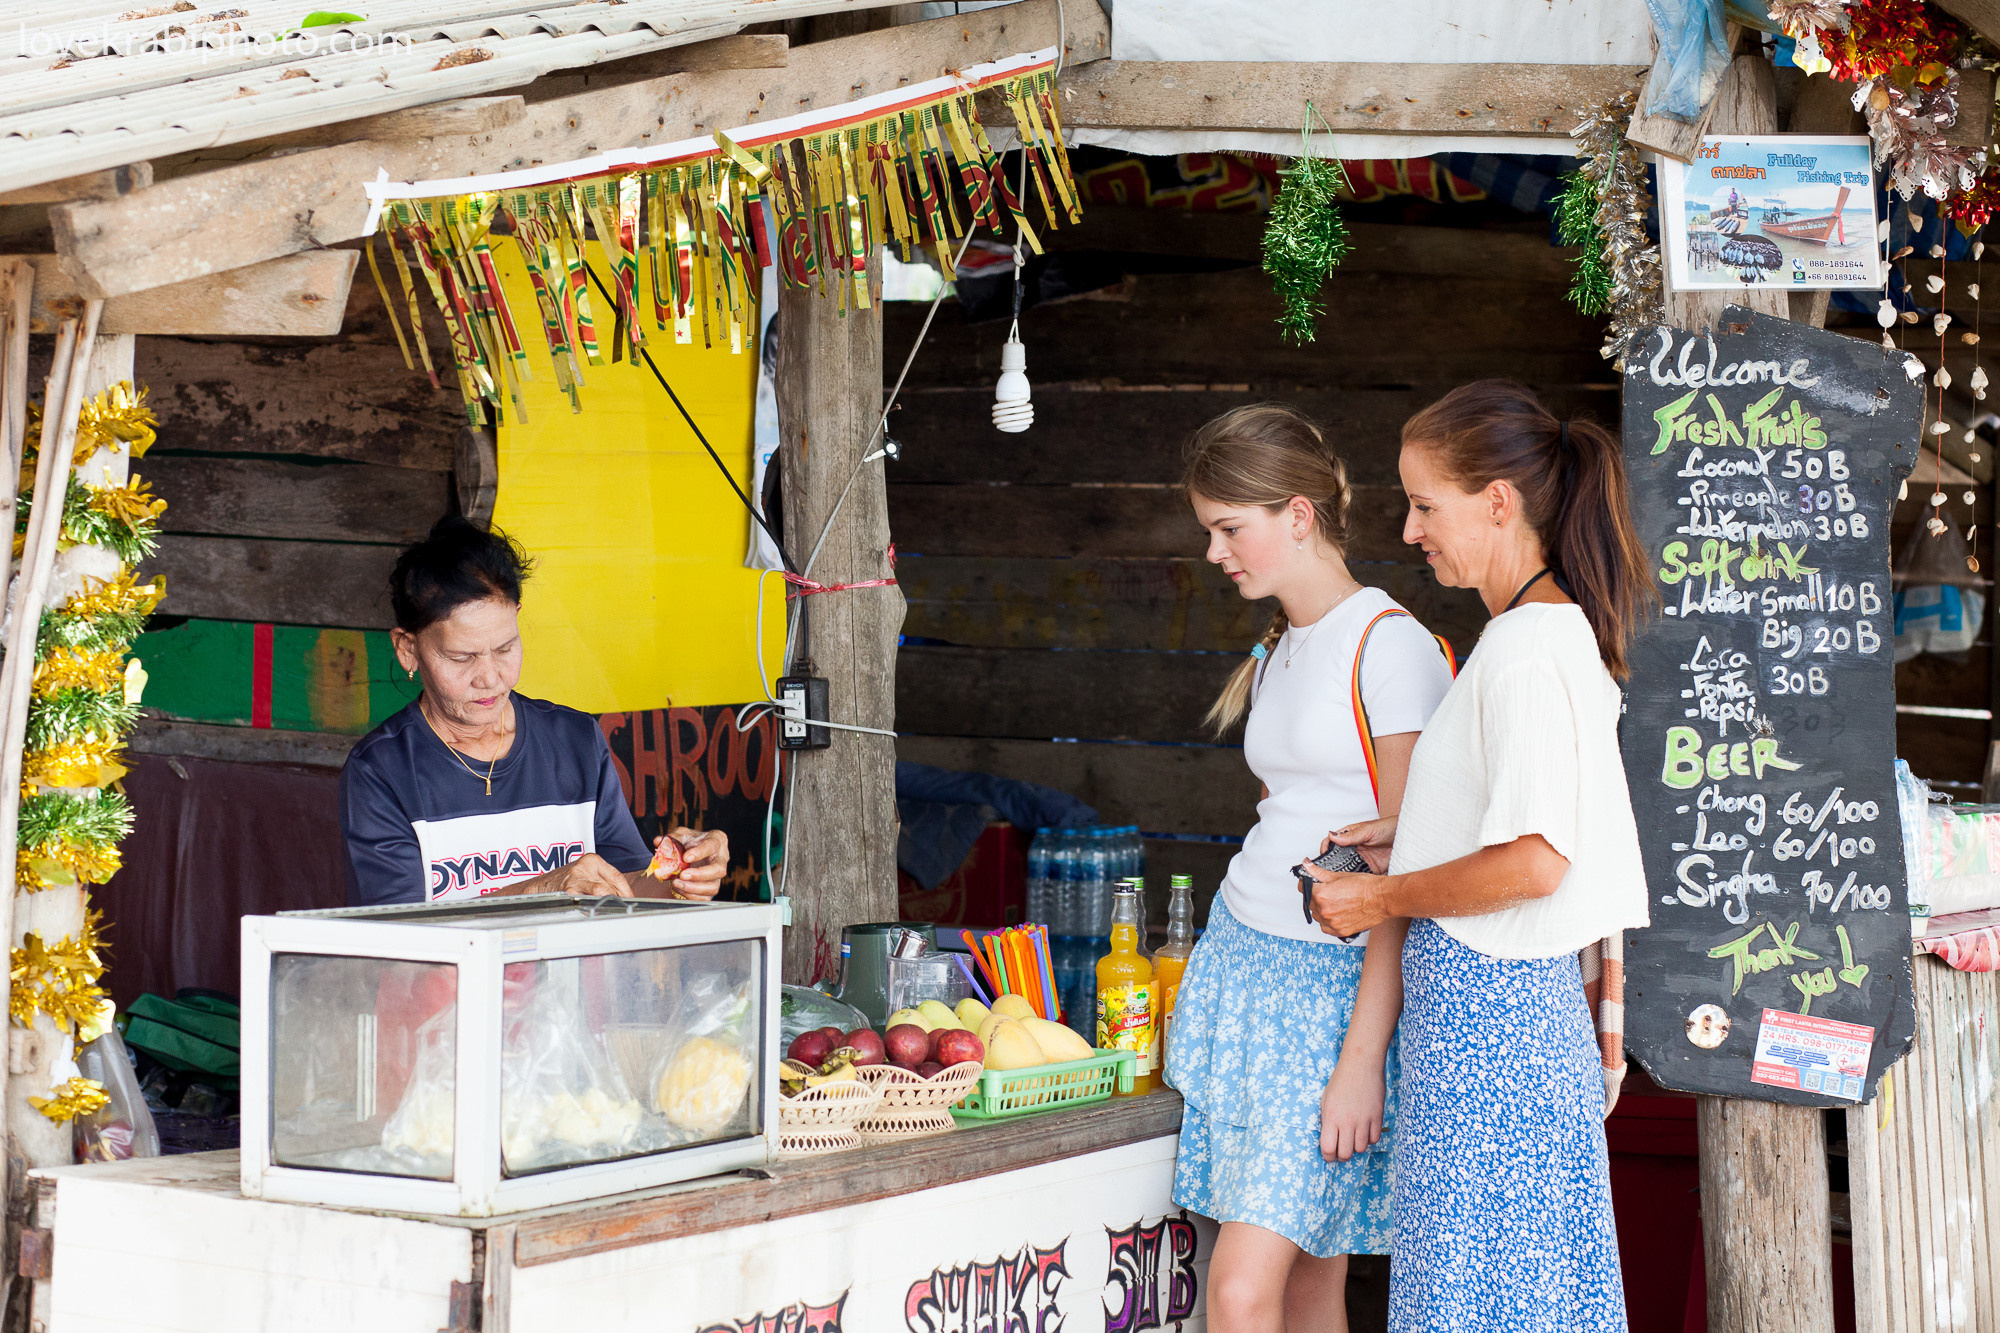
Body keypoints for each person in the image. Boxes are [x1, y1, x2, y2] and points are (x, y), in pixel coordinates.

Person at [1306, 380, 1652, 1331]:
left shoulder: (1530, 649)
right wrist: (1408, 834)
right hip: (1490, 1017)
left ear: (1498, 502)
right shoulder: (1529, 635)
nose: (1412, 530)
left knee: (1482, 1299)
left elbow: (1538, 859)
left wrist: (1382, 899)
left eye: (1426, 504)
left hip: (1491, 1021)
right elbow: (1514, 825)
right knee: (1507, 1295)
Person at [1165, 405, 1455, 1333]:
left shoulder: (1393, 645)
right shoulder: (1286, 643)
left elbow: (1412, 870)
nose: (1217, 552)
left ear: (1297, 514)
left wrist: (1363, 1056)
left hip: (1330, 996)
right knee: (1305, 1281)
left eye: (1228, 527)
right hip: (1246, 967)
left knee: (1241, 1289)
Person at [341, 517, 728, 906]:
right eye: (461, 657)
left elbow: (628, 888)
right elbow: (400, 930)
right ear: (408, 649)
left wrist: (681, 878)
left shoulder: (575, 740)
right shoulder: (381, 771)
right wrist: (543, 888)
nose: (489, 678)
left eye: (506, 647)